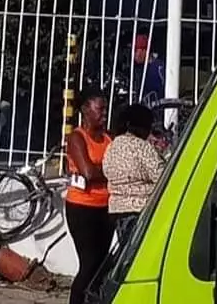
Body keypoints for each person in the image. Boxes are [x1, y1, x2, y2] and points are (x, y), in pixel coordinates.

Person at [65, 87, 113, 304]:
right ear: (85, 109)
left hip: (106, 207)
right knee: (89, 262)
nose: (103, 114)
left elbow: (100, 170)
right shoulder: (77, 137)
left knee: (103, 263)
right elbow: (88, 172)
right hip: (81, 207)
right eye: (99, 109)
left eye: (105, 109)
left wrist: (102, 169)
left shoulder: (108, 137)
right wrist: (111, 169)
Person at [103, 103, 165, 244]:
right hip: (140, 209)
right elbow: (162, 177)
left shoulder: (112, 146)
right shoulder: (142, 147)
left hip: (117, 209)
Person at [134, 34, 165, 108]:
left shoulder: (159, 67)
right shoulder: (138, 69)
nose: (134, 55)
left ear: (145, 50)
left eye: (135, 50)